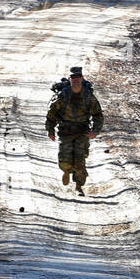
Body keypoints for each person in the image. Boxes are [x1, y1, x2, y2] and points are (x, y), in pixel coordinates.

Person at [45, 66, 103, 196]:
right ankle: (66, 171)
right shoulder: (63, 95)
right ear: (70, 79)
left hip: (82, 132)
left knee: (80, 160)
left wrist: (95, 131)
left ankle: (78, 186)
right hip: (65, 131)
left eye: (78, 78)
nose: (76, 80)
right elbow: (51, 115)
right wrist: (50, 131)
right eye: (73, 78)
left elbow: (98, 115)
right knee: (65, 161)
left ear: (82, 79)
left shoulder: (88, 96)